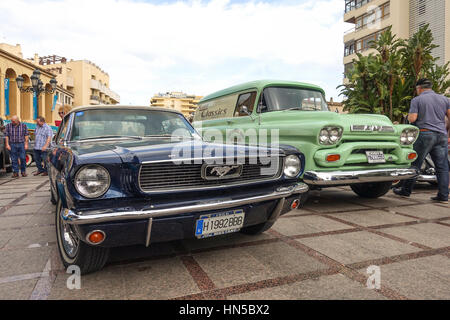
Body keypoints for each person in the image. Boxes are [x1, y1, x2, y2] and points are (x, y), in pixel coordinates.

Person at [393, 79, 450, 204]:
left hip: (425, 134)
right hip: (441, 135)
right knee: (442, 166)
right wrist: (447, 133)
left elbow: (413, 118)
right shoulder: (445, 99)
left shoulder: (417, 100)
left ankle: (406, 190)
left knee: (414, 163)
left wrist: (408, 116)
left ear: (419, 88)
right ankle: (443, 195)